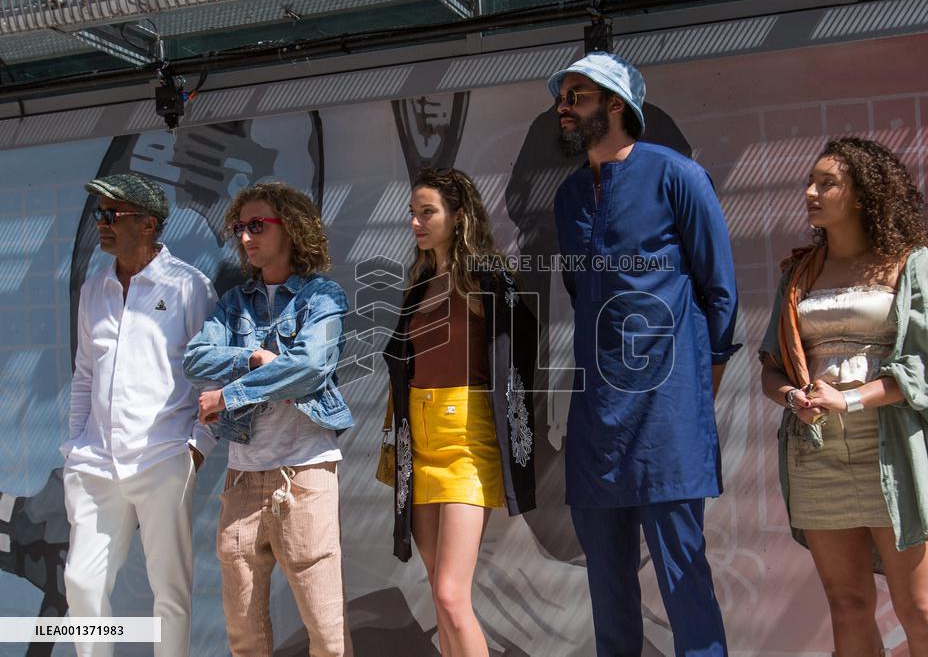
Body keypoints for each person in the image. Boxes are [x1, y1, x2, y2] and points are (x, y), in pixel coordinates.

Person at [758, 137, 928, 656]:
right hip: (816, 458)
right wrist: (793, 395)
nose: (811, 191)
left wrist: (850, 400)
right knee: (848, 607)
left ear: (862, 194)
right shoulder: (799, 272)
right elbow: (772, 367)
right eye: (810, 182)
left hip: (895, 456)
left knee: (924, 615)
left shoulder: (910, 264)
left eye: (827, 182)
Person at [549, 52, 738, 656]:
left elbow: (719, 291)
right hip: (596, 416)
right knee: (607, 589)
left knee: (684, 579)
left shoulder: (676, 175)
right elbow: (585, 295)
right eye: (562, 98)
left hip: (666, 415)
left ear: (615, 104)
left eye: (576, 96)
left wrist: (697, 385)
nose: (563, 108)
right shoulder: (570, 196)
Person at [183, 182, 354, 656]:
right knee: (244, 635)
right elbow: (196, 361)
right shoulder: (233, 301)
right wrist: (254, 361)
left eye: (257, 225)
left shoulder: (322, 296)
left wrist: (230, 393)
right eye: (239, 227)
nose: (244, 237)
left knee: (326, 631)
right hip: (242, 478)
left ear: (291, 228)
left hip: (304, 472)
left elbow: (310, 367)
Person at [382, 167, 537, 657]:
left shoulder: (488, 280)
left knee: (451, 595)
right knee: (438, 590)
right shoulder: (420, 284)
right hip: (420, 442)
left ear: (459, 215)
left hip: (469, 439)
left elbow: (523, 349)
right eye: (412, 213)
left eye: (427, 212)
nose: (416, 223)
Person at [63, 172, 216, 657]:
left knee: (169, 592)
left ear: (148, 224)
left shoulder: (191, 286)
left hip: (163, 456)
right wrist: (74, 446)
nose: (101, 224)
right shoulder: (94, 290)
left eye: (112, 215)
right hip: (95, 463)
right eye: (98, 215)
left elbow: (211, 375)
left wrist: (196, 448)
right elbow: (85, 374)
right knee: (80, 585)